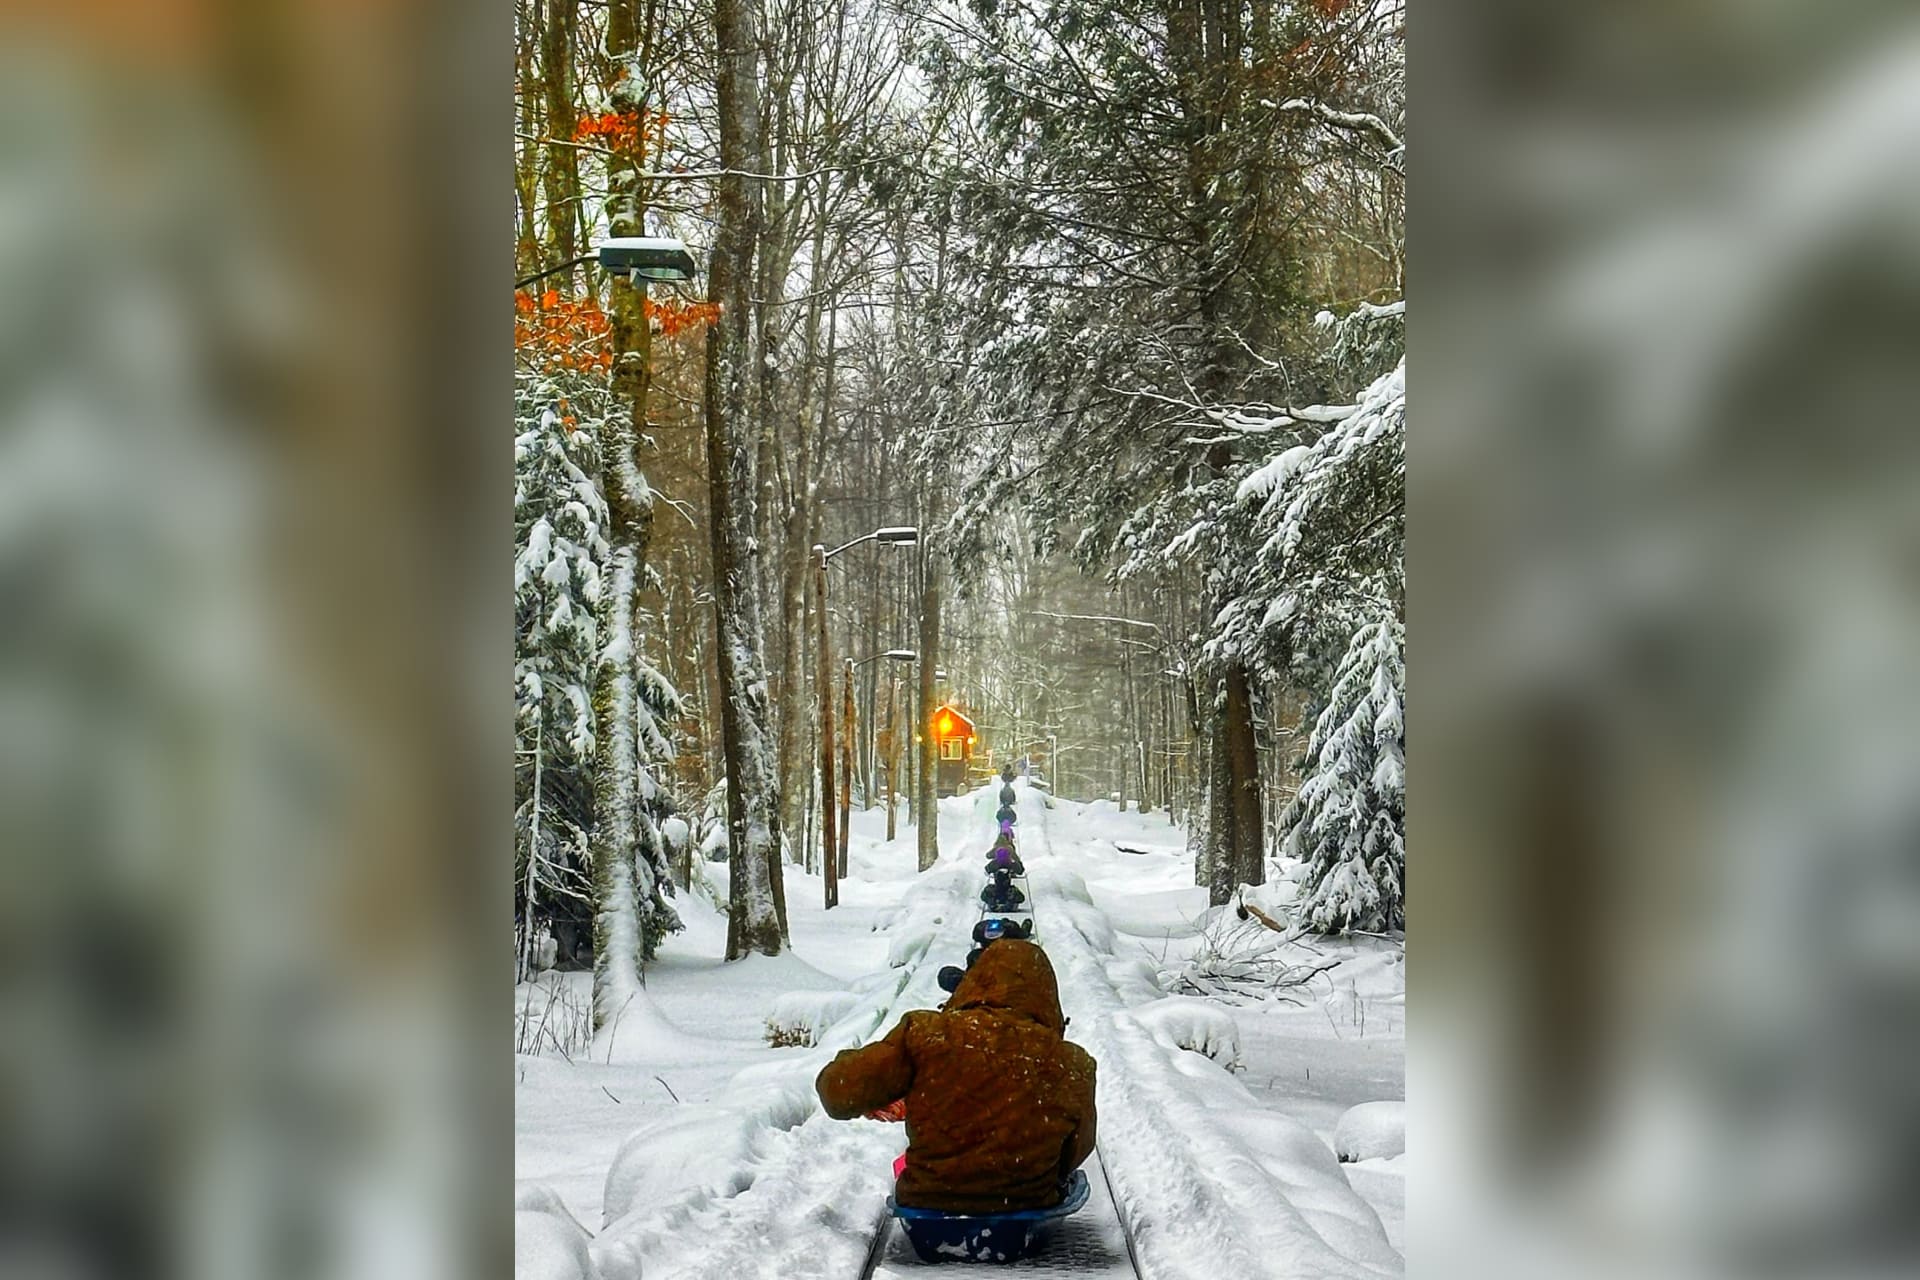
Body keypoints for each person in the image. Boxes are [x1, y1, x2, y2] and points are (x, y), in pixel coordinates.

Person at [816, 940, 1096, 1213]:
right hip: (1030, 1206)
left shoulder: (926, 1034)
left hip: (928, 1203)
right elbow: (1075, 1153)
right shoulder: (1072, 1062)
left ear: (974, 982)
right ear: (1047, 998)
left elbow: (837, 1093)